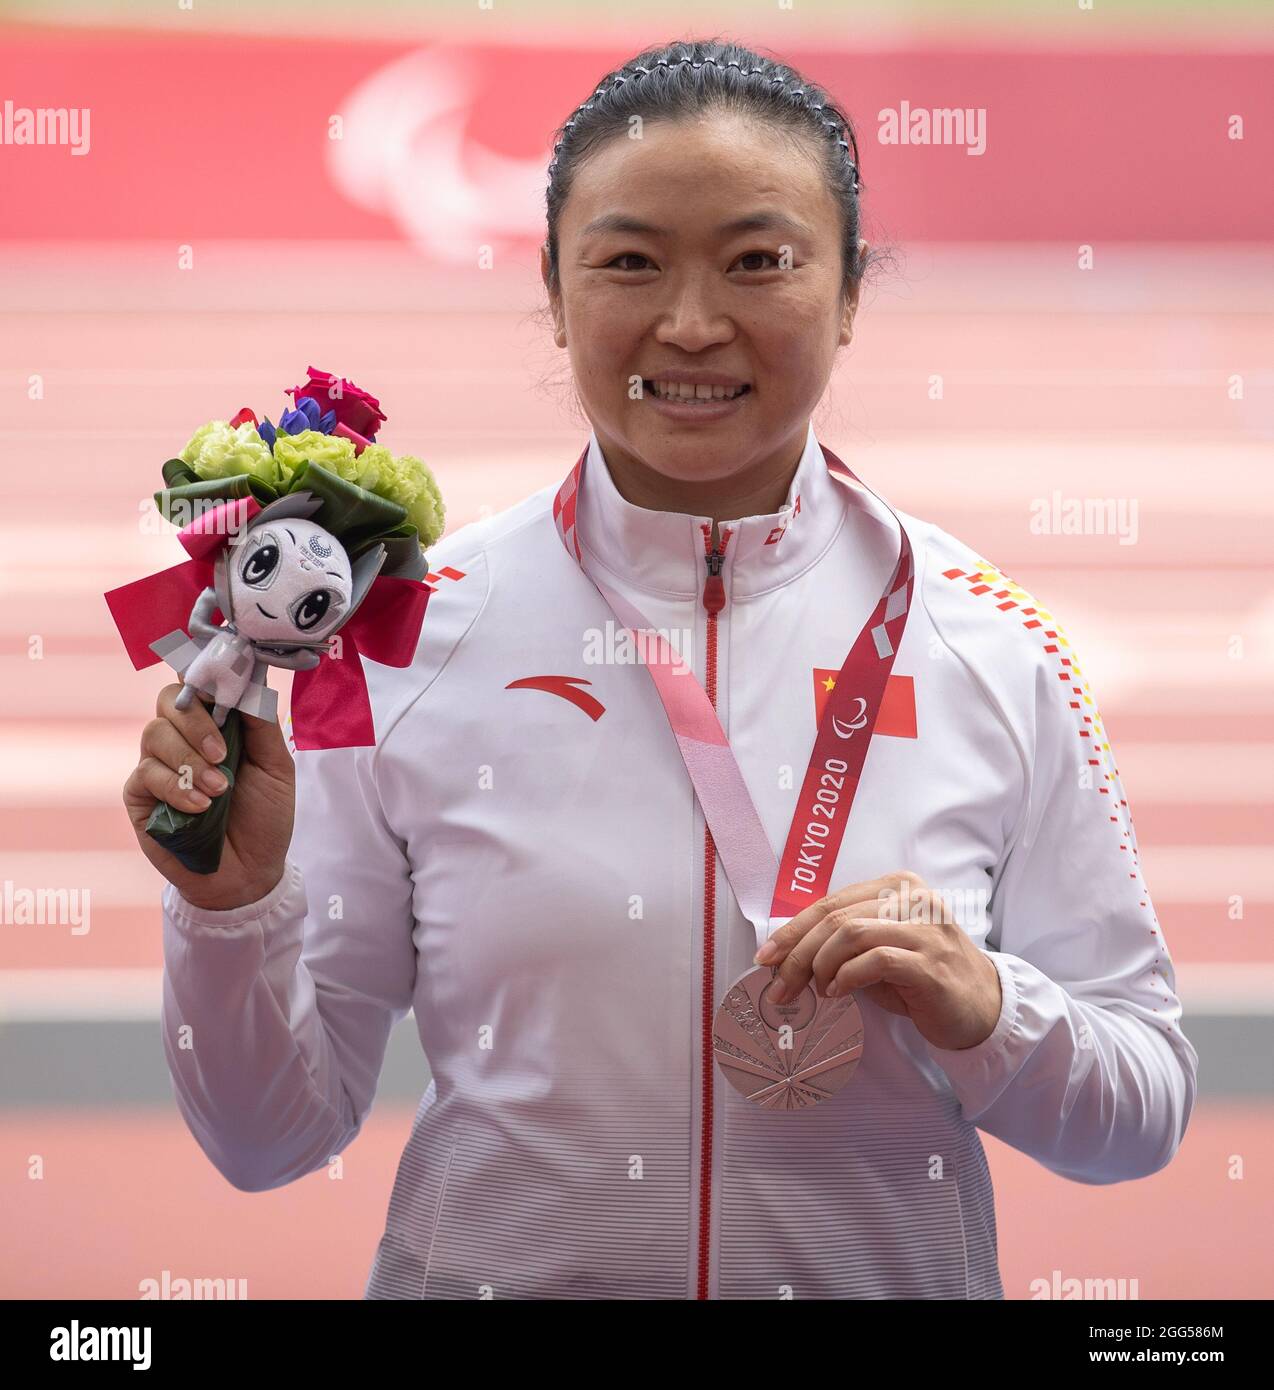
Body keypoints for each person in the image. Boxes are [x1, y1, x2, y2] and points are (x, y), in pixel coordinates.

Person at [123, 39, 1197, 1300]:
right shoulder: (404, 636)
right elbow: (268, 1141)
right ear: (554, 286)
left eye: (760, 261)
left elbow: (1143, 1111)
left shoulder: (995, 644)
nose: (690, 324)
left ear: (848, 291)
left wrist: (990, 1007)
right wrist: (227, 912)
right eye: (629, 261)